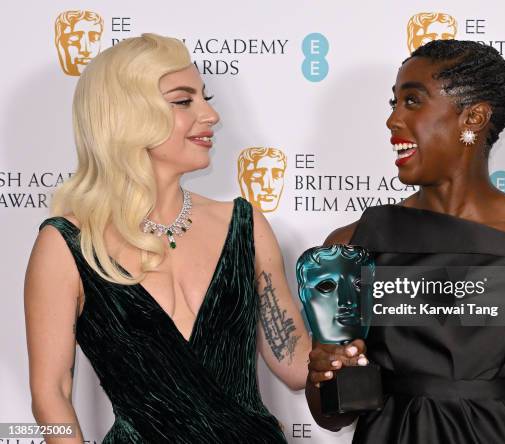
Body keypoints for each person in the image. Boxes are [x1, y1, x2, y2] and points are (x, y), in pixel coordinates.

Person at [306, 39, 505, 444]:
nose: (392, 120)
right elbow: (333, 419)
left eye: (412, 101)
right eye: (393, 103)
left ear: (473, 117)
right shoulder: (352, 245)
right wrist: (324, 375)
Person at [25, 33, 310, 443]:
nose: (211, 115)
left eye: (205, 97)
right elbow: (51, 394)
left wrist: (367, 330)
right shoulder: (68, 244)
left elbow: (296, 367)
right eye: (184, 100)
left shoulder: (244, 226)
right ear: (126, 115)